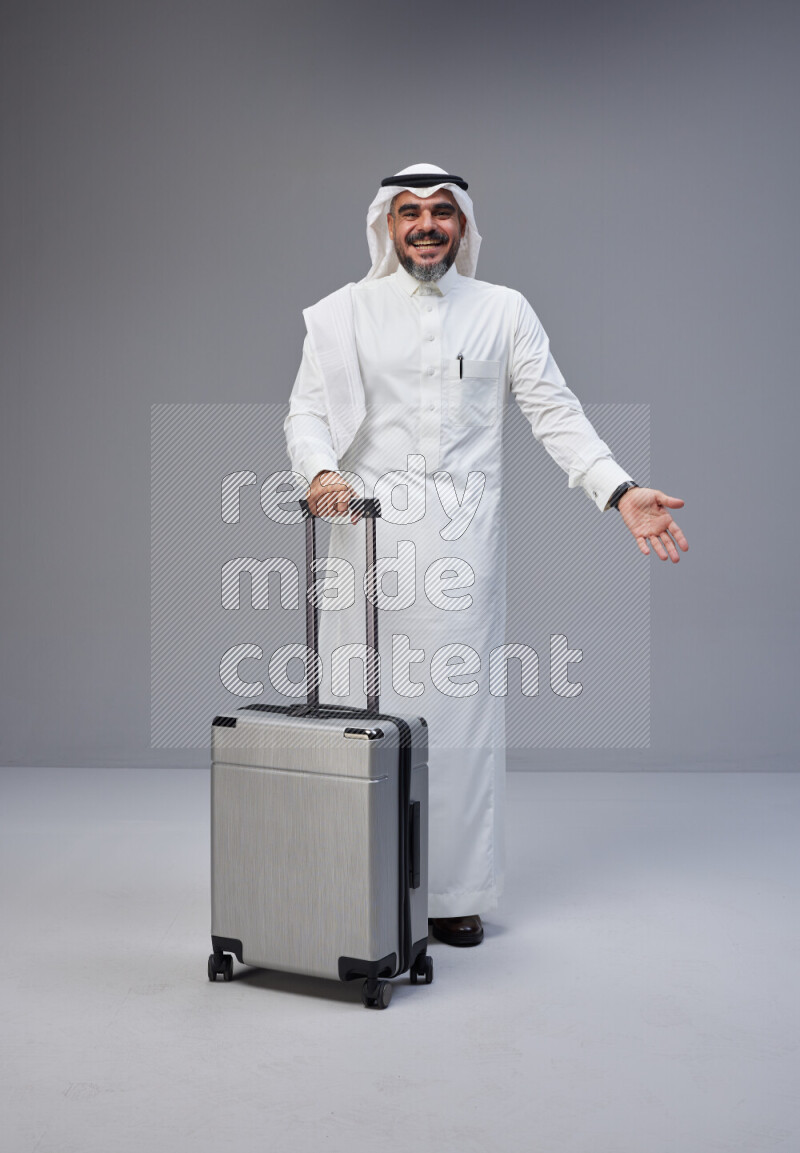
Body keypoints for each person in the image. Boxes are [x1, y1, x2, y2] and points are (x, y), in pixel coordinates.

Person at [284, 163, 688, 947]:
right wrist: (321, 470)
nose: (426, 225)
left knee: (457, 722)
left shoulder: (503, 311)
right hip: (363, 540)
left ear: (464, 225)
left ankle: (451, 894)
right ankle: (349, 879)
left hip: (461, 552)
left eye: (442, 212)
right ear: (386, 225)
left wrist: (619, 489)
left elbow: (553, 411)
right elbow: (304, 413)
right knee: (352, 711)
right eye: (410, 212)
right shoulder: (345, 314)